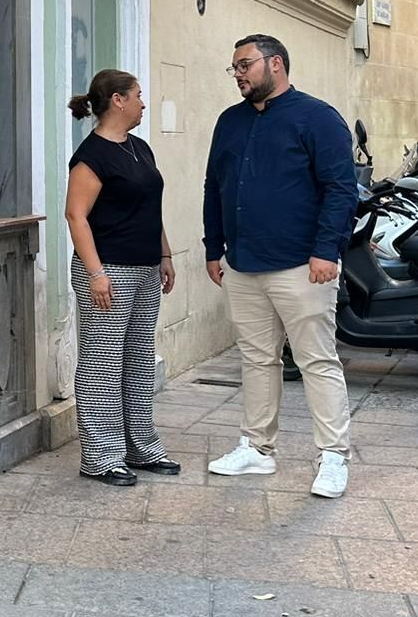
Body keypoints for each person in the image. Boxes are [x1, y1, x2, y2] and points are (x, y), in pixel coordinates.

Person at [202, 34, 355, 498]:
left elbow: (340, 189)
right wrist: (214, 248)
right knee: (256, 358)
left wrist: (326, 249)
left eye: (245, 65)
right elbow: (215, 186)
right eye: (234, 68)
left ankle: (333, 456)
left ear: (276, 64)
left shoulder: (318, 118)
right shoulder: (230, 121)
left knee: (316, 360)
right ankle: (256, 448)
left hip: (302, 264)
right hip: (243, 263)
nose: (239, 74)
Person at [64, 68, 180, 486]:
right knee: (102, 365)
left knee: (138, 362)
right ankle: (100, 457)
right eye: (138, 95)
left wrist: (164, 253)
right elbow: (76, 216)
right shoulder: (91, 155)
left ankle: (140, 447)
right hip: (107, 269)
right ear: (118, 100)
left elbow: (151, 206)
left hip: (146, 267)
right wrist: (95, 273)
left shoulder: (140, 148)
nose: (143, 103)